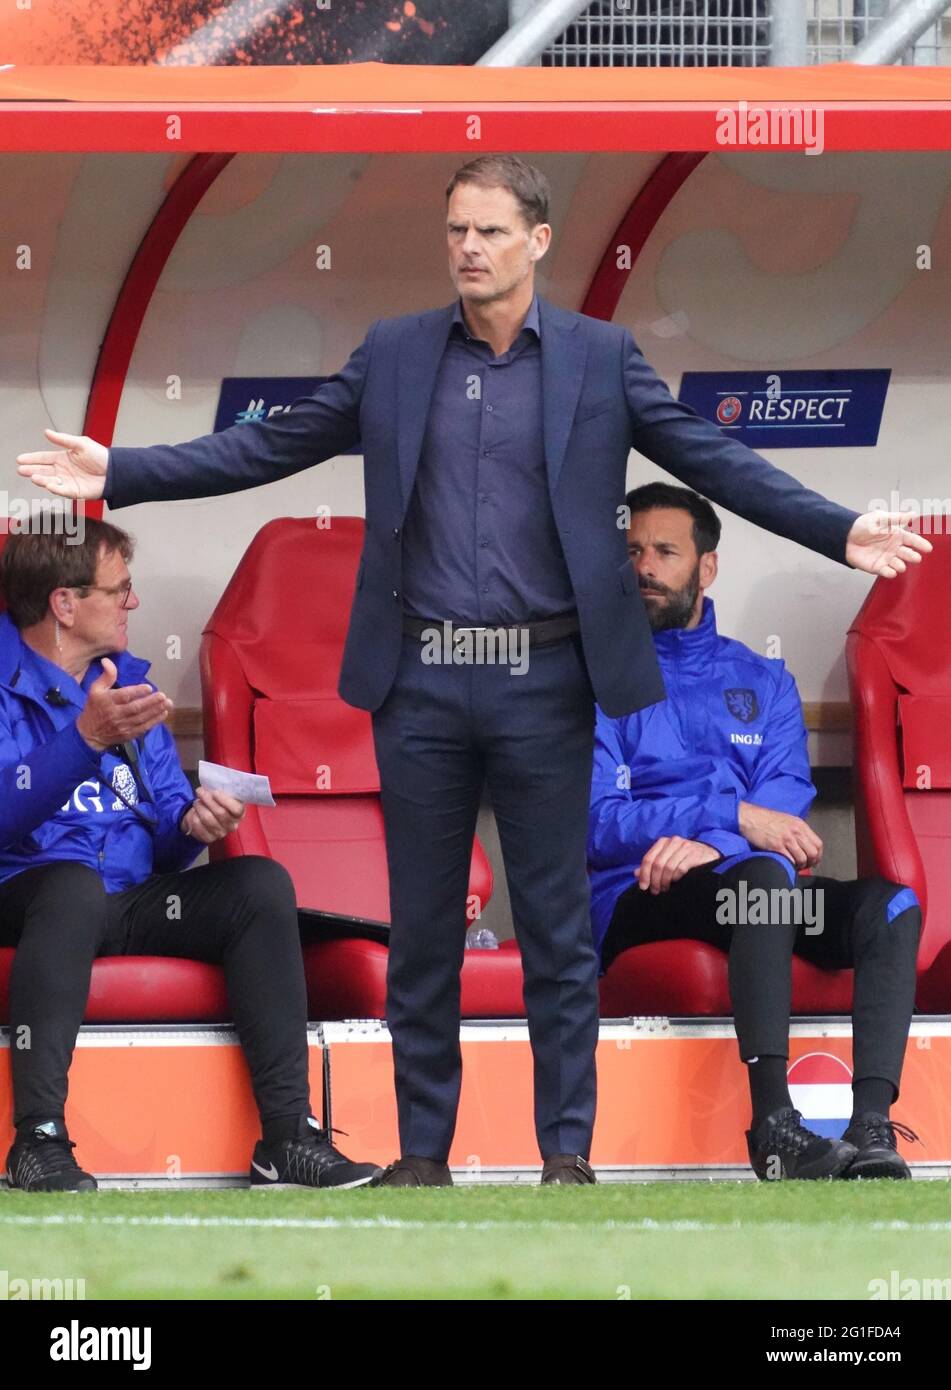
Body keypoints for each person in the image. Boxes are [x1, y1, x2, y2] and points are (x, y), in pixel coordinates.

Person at [18, 155, 930, 1187]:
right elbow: (269, 447)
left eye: (489, 231)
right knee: (424, 931)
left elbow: (713, 460)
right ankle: (422, 1154)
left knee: (553, 929)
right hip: (422, 680)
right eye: (455, 229)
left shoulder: (600, 357)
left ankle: (566, 1153)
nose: (467, 248)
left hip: (549, 678)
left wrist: (838, 528)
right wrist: (122, 470)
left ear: (537, 240)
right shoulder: (398, 354)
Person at [0, 522, 381, 1192]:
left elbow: (168, 848)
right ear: (63, 603)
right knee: (69, 888)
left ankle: (288, 1136)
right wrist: (83, 741)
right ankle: (37, 1140)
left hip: (124, 899)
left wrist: (197, 824)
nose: (133, 604)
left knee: (258, 885)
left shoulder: (131, 686)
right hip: (30, 896)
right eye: (119, 591)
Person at [588, 483, 922, 1180]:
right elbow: (592, 824)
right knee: (765, 880)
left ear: (705, 568)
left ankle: (868, 1129)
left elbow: (784, 807)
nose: (644, 566)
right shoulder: (592, 680)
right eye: (632, 552)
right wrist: (727, 818)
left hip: (740, 885)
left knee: (889, 906)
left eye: (664, 552)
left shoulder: (762, 679)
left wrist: (718, 842)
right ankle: (774, 1126)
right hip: (636, 896)